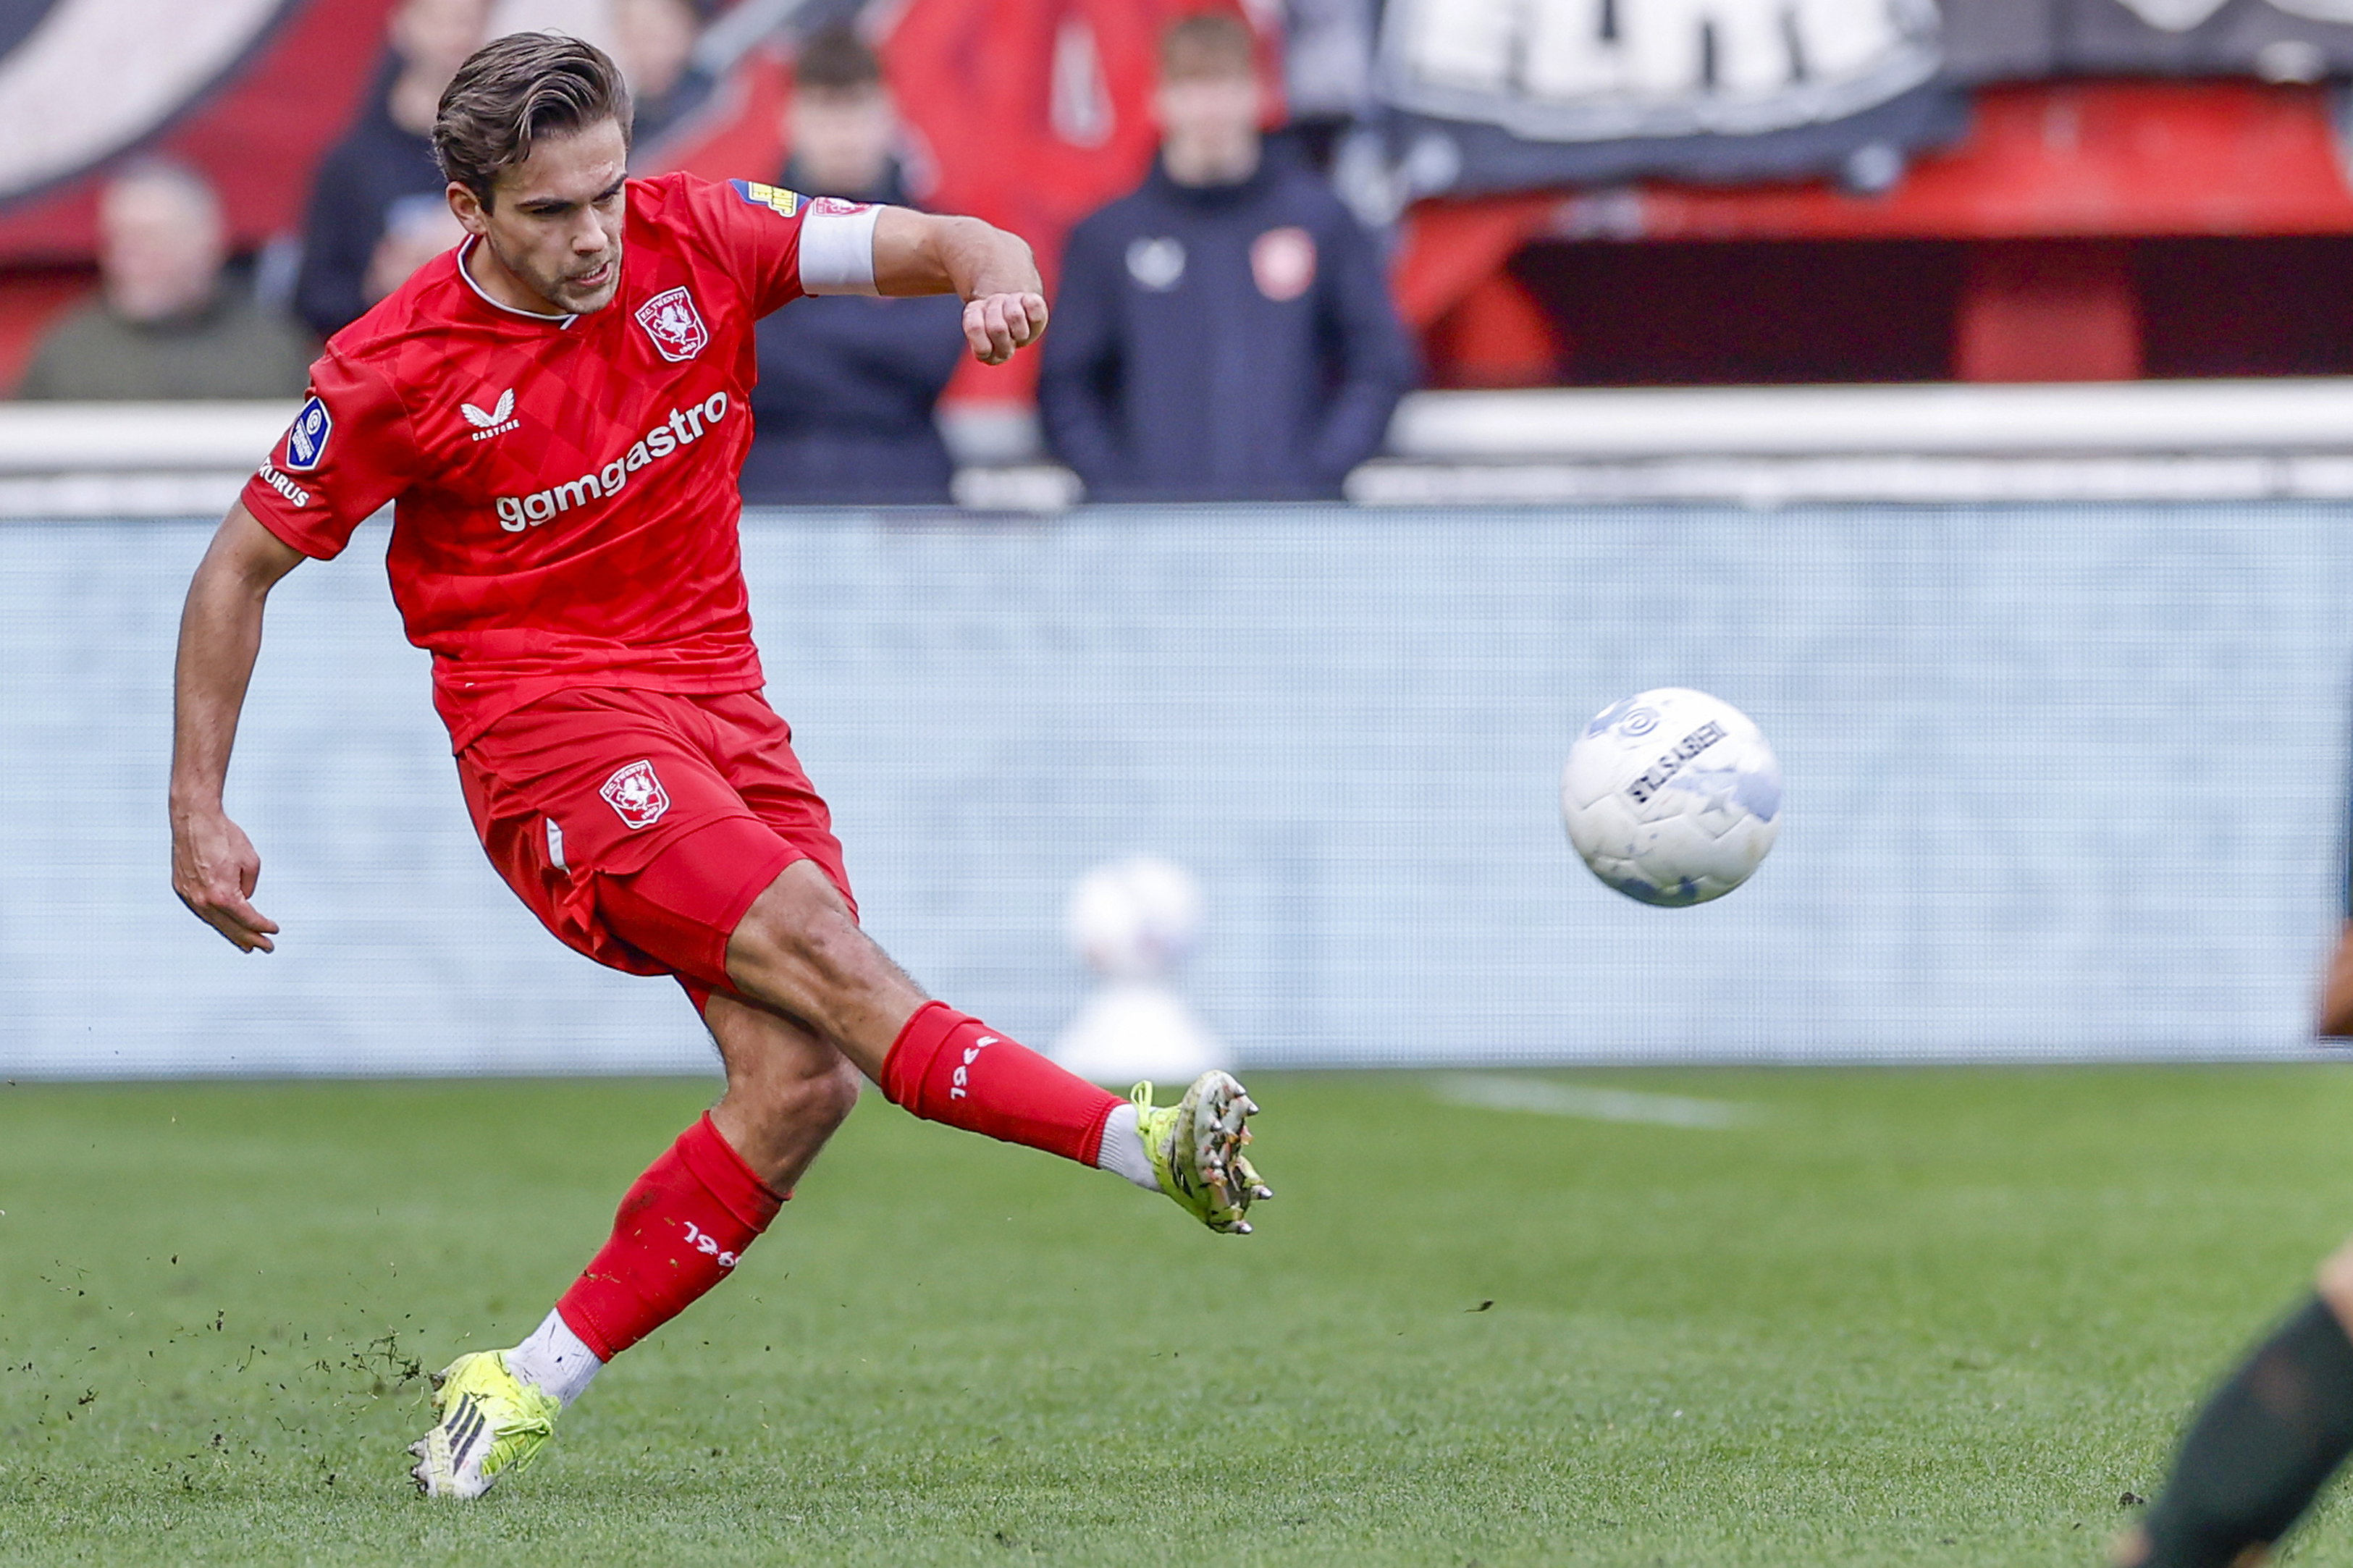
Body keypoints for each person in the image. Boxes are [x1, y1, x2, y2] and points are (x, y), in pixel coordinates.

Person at [167, 33, 1268, 1501]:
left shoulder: (703, 234)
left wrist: (993, 271)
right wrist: (197, 806)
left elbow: (950, 235)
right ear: (467, 208)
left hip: (724, 720)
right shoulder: (394, 368)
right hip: (550, 744)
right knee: (829, 955)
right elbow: (237, 570)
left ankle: (519, 1382)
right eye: (551, 210)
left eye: (606, 191)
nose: (593, 233)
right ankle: (1145, 1147)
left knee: (800, 1082)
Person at [1037, 9, 1414, 502]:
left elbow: (1379, 365)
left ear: (1259, 95)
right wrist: (1123, 492)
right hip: (1151, 538)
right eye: (1192, 89)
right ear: (1158, 99)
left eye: (1226, 87)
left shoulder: (1321, 221)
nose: (1210, 110)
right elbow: (1066, 387)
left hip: (1288, 531)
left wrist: (1315, 477)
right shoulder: (1109, 236)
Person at [740, 24, 967, 505]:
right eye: (826, 112)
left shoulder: (937, 237)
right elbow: (747, 364)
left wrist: (803, 325)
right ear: (789, 118)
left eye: (857, 110)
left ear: (890, 114)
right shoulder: (740, 237)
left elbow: (927, 362)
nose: (843, 135)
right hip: (773, 497)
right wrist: (869, 331)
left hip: (906, 497)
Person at [16, 161, 314, 400]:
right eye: (118, 239)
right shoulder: (69, 352)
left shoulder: (271, 352)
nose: (129, 257)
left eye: (150, 238)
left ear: (206, 241)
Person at [292, 0, 488, 340]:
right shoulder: (353, 163)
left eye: (469, 22)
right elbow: (314, 295)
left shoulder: (511, 154)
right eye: (439, 19)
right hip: (392, 356)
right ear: (402, 25)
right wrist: (382, 288)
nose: (455, 35)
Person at [611, 0, 717, 150]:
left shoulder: (724, 92)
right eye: (633, 35)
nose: (645, 48)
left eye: (652, 34)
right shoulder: (631, 133)